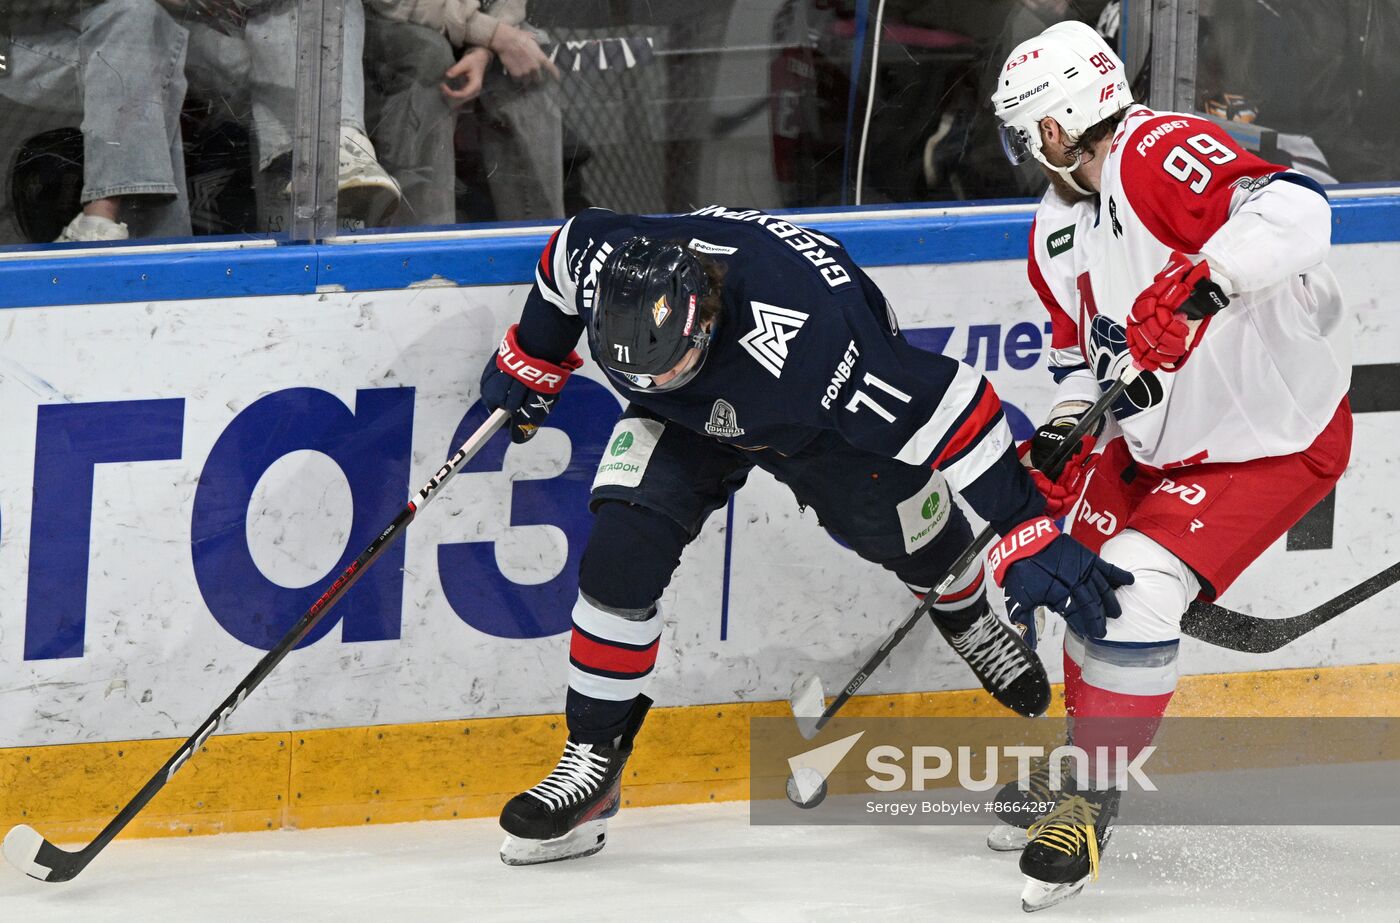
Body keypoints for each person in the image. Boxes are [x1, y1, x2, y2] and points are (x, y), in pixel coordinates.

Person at [476, 203, 1135, 866]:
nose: (655, 381)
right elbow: (562, 257)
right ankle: (592, 761)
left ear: (701, 313)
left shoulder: (821, 343)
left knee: (919, 540)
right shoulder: (610, 264)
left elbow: (956, 403)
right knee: (619, 559)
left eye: (668, 368)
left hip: (822, 423)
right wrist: (534, 355)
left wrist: (1026, 529)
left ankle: (966, 619)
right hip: (684, 421)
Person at [990, 20, 1350, 911]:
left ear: (1059, 122)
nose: (1024, 150)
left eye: (1024, 128)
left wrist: (1204, 285)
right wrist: (1069, 433)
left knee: (1134, 585)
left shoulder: (1158, 149)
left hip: (1264, 442)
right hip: (1153, 443)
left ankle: (1089, 799)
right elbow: (1083, 363)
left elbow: (1299, 209)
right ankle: (1083, 757)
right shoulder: (1055, 230)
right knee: (1073, 573)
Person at [1, 0, 193, 242]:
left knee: (159, 45)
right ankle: (101, 225)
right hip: (10, 41)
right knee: (136, 16)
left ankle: (116, 235)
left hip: (81, 24)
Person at [360, 0, 564, 224]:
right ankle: (425, 244)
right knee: (431, 57)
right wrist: (491, 34)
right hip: (396, 18)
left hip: (476, 21)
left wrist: (484, 50)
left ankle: (541, 243)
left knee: (528, 55)